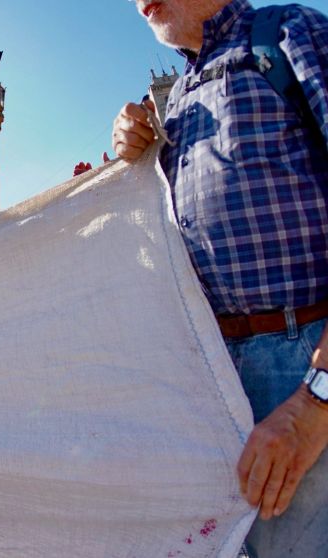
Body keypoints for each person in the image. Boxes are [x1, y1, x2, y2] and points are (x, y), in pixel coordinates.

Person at [111, 2, 328, 555]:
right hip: (217, 377)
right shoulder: (179, 96)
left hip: (304, 364)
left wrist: (315, 404)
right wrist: (135, 154)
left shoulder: (288, 33)